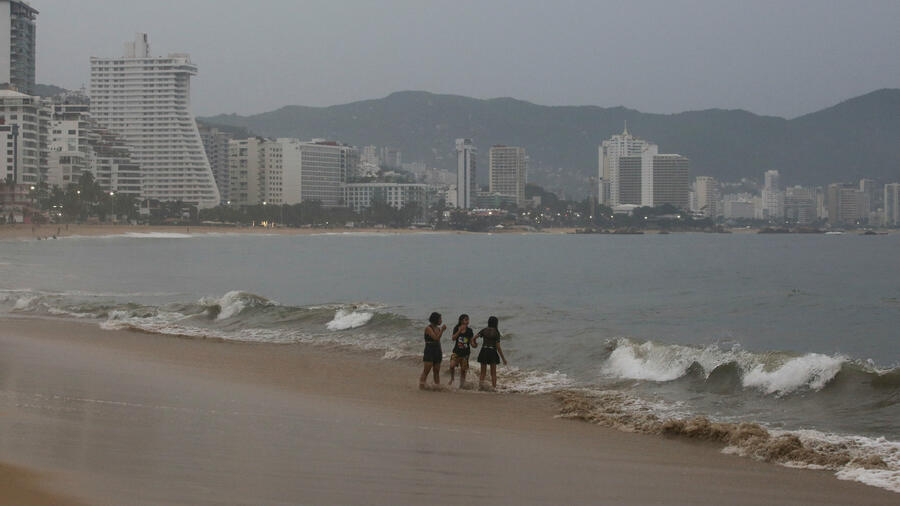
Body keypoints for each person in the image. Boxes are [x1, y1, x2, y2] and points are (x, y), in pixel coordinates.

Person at [476, 316, 507, 389]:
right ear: (496, 323)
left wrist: (474, 343)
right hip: (492, 352)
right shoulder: (496, 332)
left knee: (483, 373)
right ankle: (493, 388)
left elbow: (474, 337)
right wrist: (503, 359)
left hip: (484, 351)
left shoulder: (484, 330)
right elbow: (498, 347)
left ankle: (480, 387)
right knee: (493, 373)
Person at [447, 314, 476, 387]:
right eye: (466, 319)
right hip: (456, 352)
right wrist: (459, 330)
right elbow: (453, 338)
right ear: (461, 320)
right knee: (452, 365)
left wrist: (474, 344)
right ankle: (452, 378)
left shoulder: (469, 330)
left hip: (465, 353)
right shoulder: (456, 328)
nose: (467, 321)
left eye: (468, 319)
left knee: (463, 370)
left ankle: (462, 385)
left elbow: (471, 342)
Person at [419, 312, 446, 389]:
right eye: (440, 319)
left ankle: (437, 386)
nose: (441, 320)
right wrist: (442, 330)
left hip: (437, 350)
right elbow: (435, 338)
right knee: (426, 370)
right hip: (429, 350)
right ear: (435, 319)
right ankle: (421, 386)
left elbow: (438, 341)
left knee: (436, 371)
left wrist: (440, 351)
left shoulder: (438, 328)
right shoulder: (428, 328)